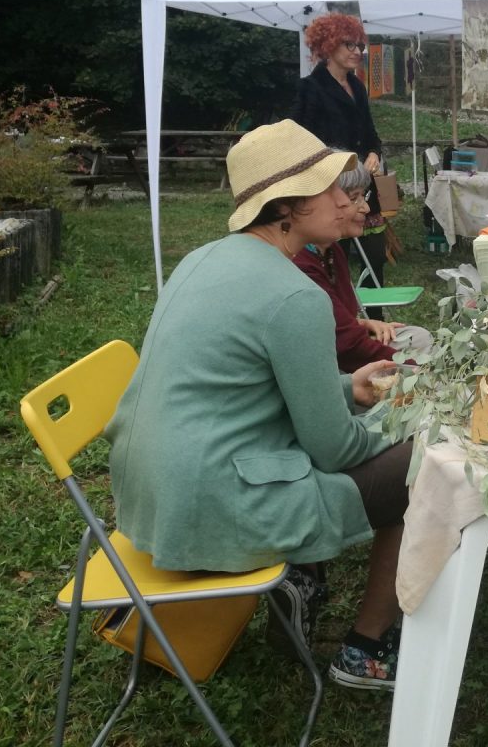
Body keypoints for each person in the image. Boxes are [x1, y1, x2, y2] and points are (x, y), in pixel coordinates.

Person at [105, 120, 410, 691]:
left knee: (395, 450)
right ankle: (367, 649)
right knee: (429, 464)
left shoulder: (202, 259)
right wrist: (407, 419)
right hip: (214, 506)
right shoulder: (296, 294)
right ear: (288, 206)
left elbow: (245, 388)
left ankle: (307, 591)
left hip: (149, 497)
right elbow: (334, 447)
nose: (346, 195)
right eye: (329, 185)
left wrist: (349, 389)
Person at [294, 159, 433, 373]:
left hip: (343, 353)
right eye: (353, 198)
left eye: (364, 196)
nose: (366, 207)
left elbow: (333, 322)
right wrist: (420, 370)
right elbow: (347, 346)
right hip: (331, 368)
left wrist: (362, 324)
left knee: (420, 338)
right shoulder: (301, 266)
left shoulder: (331, 251)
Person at [292, 12, 390, 306]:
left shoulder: (358, 87)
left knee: (374, 255)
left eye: (359, 45)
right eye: (349, 45)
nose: (357, 52)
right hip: (330, 188)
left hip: (362, 186)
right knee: (336, 257)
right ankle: (342, 318)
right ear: (328, 45)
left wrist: (374, 153)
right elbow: (298, 140)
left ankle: (377, 322)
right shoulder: (310, 88)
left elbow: (371, 135)